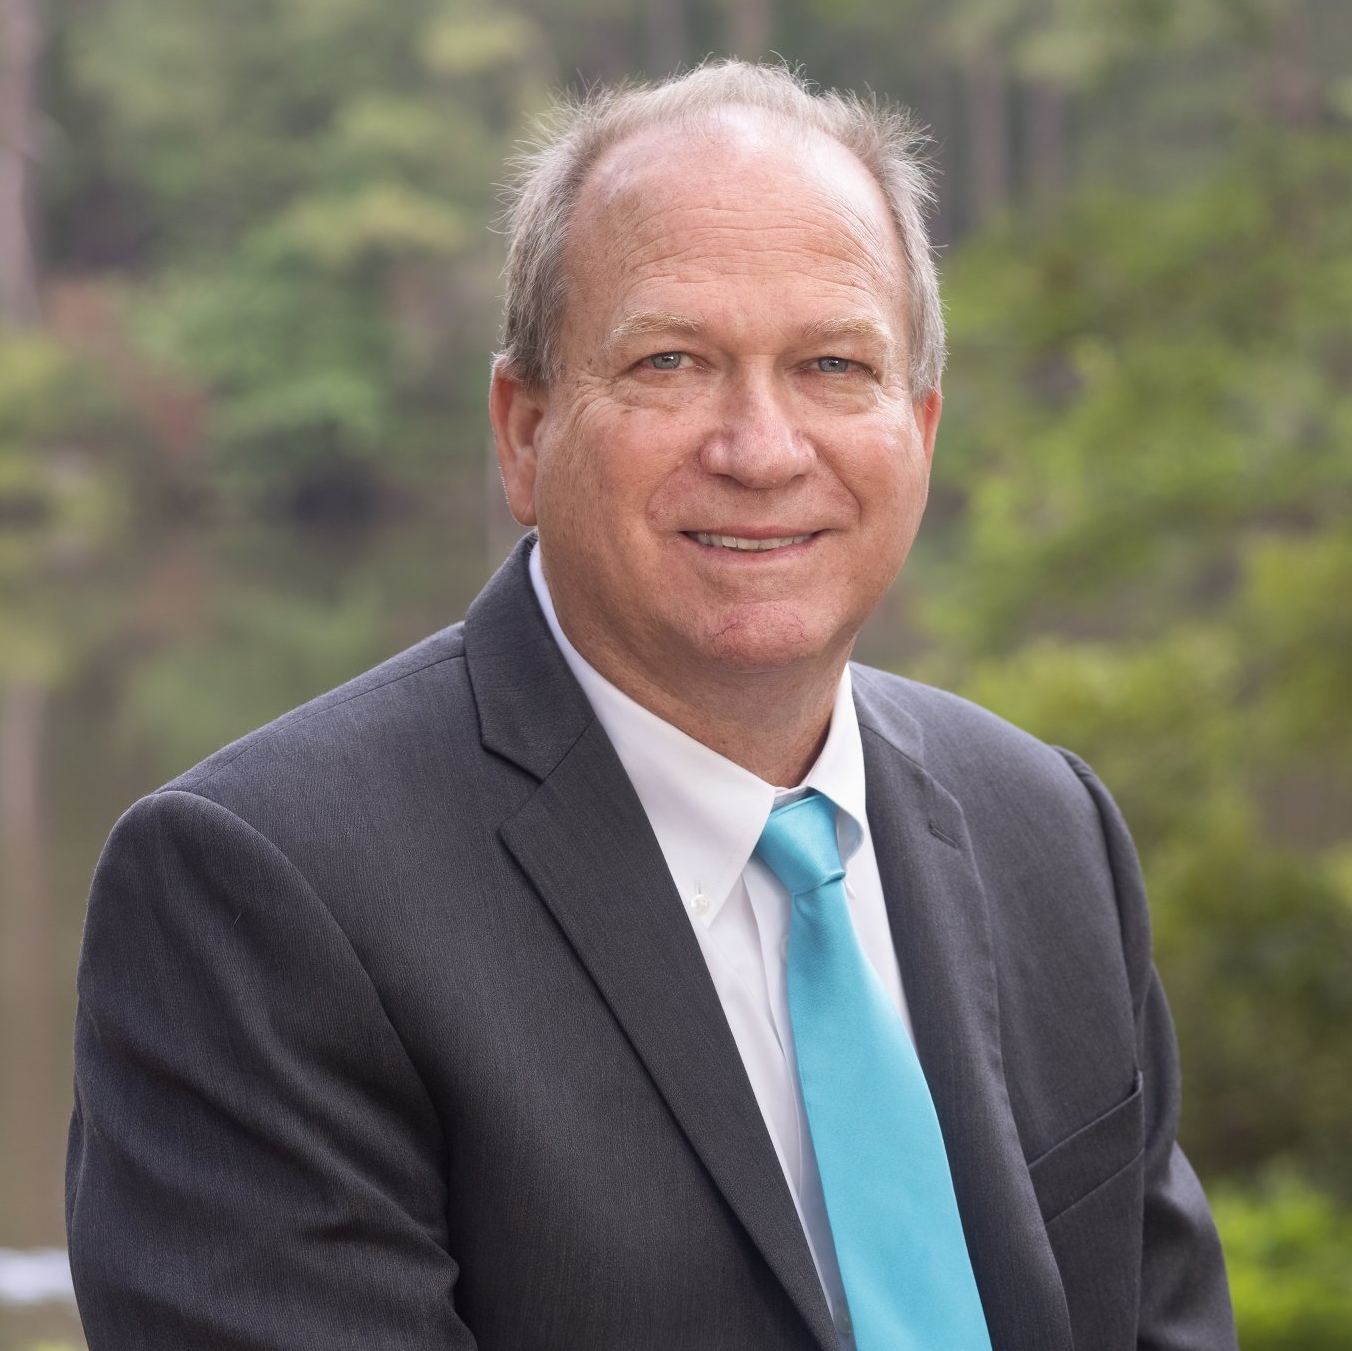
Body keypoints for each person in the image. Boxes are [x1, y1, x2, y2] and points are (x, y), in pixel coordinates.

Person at [66, 61, 1236, 1351]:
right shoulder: (257, 897)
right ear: (523, 431)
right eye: (672, 361)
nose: (761, 447)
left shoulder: (1049, 828)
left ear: (922, 429)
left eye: (834, 365)